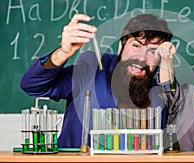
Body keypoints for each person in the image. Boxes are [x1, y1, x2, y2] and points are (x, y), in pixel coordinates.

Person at [20, 13, 174, 148]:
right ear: (121, 46)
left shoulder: (162, 92)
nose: (142, 58)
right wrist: (63, 53)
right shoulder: (91, 68)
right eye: (136, 46)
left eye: (153, 51)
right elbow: (33, 86)